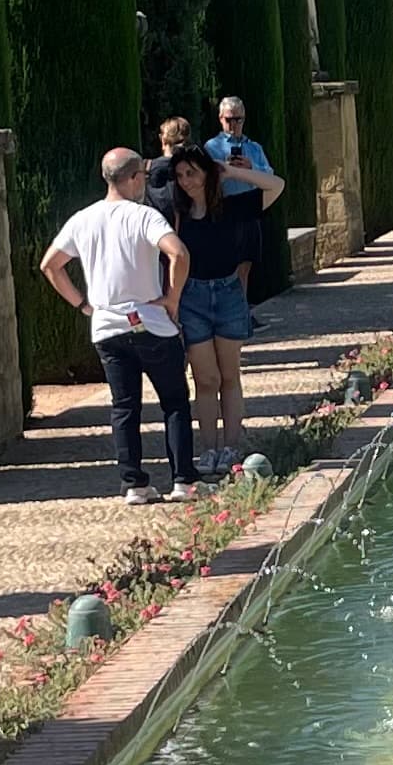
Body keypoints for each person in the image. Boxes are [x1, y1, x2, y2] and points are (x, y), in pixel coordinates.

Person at [40, 148, 196, 506]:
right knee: (174, 401)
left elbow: (51, 265)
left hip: (107, 326)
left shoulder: (83, 219)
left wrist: (82, 304)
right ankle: (184, 480)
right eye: (141, 175)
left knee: (124, 406)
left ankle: (134, 484)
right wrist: (172, 298)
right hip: (151, 321)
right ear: (131, 178)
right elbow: (179, 254)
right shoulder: (144, 217)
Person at [158, 141, 259, 473]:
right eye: (181, 174)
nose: (187, 181)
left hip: (228, 294)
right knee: (204, 378)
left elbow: (276, 186)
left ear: (207, 172)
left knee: (230, 376)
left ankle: (231, 448)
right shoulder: (176, 215)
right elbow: (151, 179)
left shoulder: (230, 206)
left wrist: (230, 171)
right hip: (193, 298)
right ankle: (209, 449)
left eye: (193, 172)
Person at [204, 93, 285, 296]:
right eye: (229, 119)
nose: (233, 124)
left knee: (246, 262)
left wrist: (251, 167)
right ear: (220, 118)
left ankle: (243, 308)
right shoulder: (211, 147)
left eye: (238, 119)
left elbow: (270, 175)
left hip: (250, 206)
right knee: (229, 261)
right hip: (226, 206)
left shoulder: (254, 148)